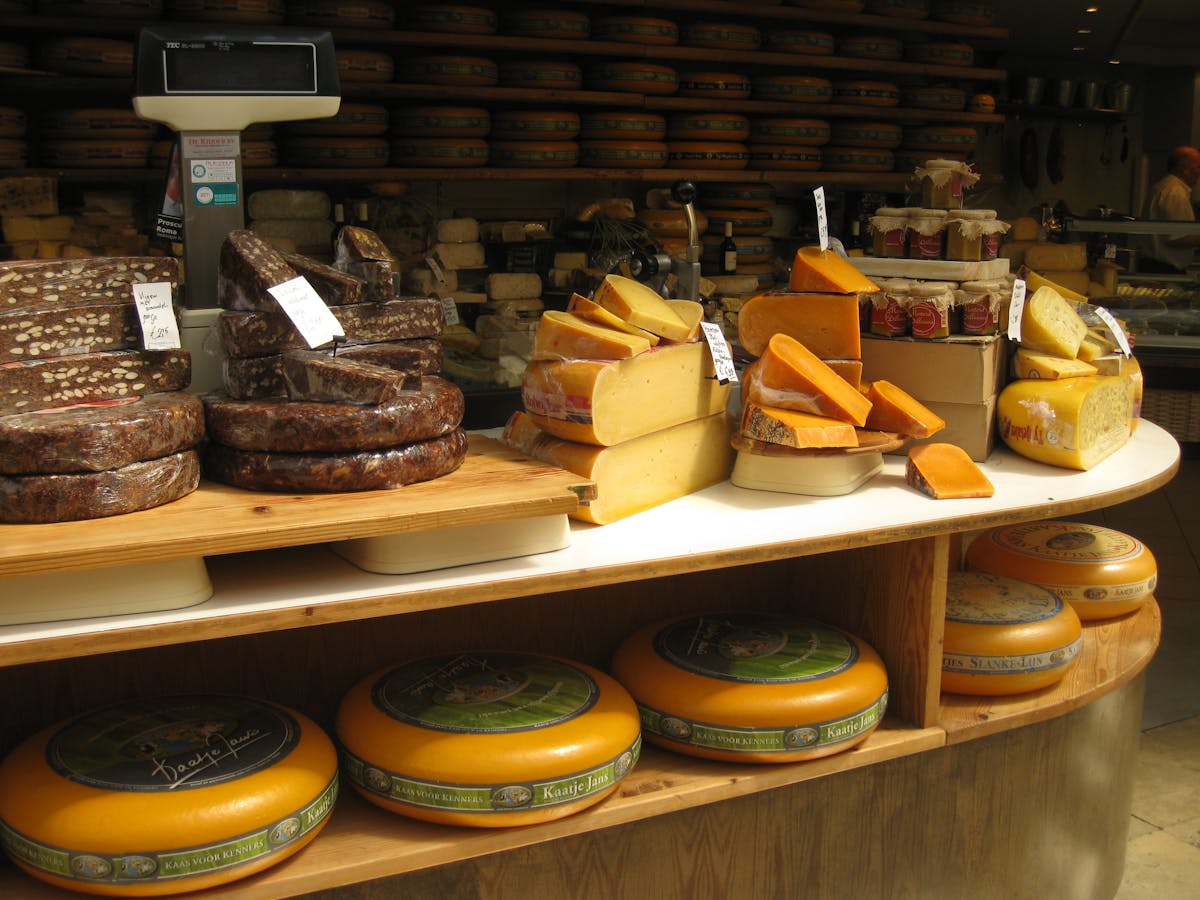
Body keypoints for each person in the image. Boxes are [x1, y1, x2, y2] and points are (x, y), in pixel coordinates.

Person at [1144, 145, 1200, 272]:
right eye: (1197, 167)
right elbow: (1176, 238)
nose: (1199, 172)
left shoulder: (1164, 187)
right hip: (1164, 269)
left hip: (1156, 266)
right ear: (1184, 169)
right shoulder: (1175, 193)